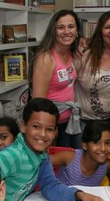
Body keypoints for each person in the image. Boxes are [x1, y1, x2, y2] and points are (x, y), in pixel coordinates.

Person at [0, 98, 110, 201]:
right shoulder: (11, 155)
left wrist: (80, 195)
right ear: (23, 126)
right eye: (36, 127)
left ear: (56, 132)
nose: (43, 134)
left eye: (49, 129)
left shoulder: (42, 158)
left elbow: (50, 186)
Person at [76, 10, 110, 139]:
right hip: (84, 123)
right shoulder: (84, 54)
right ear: (100, 31)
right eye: (107, 27)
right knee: (83, 159)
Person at [31, 9, 82, 148]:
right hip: (52, 126)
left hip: (70, 121)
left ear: (77, 30)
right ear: (53, 31)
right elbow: (38, 102)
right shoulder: (46, 58)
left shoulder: (72, 53)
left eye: (71, 27)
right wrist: (49, 130)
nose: (66, 31)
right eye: (61, 27)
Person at [51, 121, 110, 187]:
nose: (103, 148)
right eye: (96, 143)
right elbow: (41, 161)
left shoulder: (107, 166)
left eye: (108, 143)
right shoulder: (69, 157)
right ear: (85, 145)